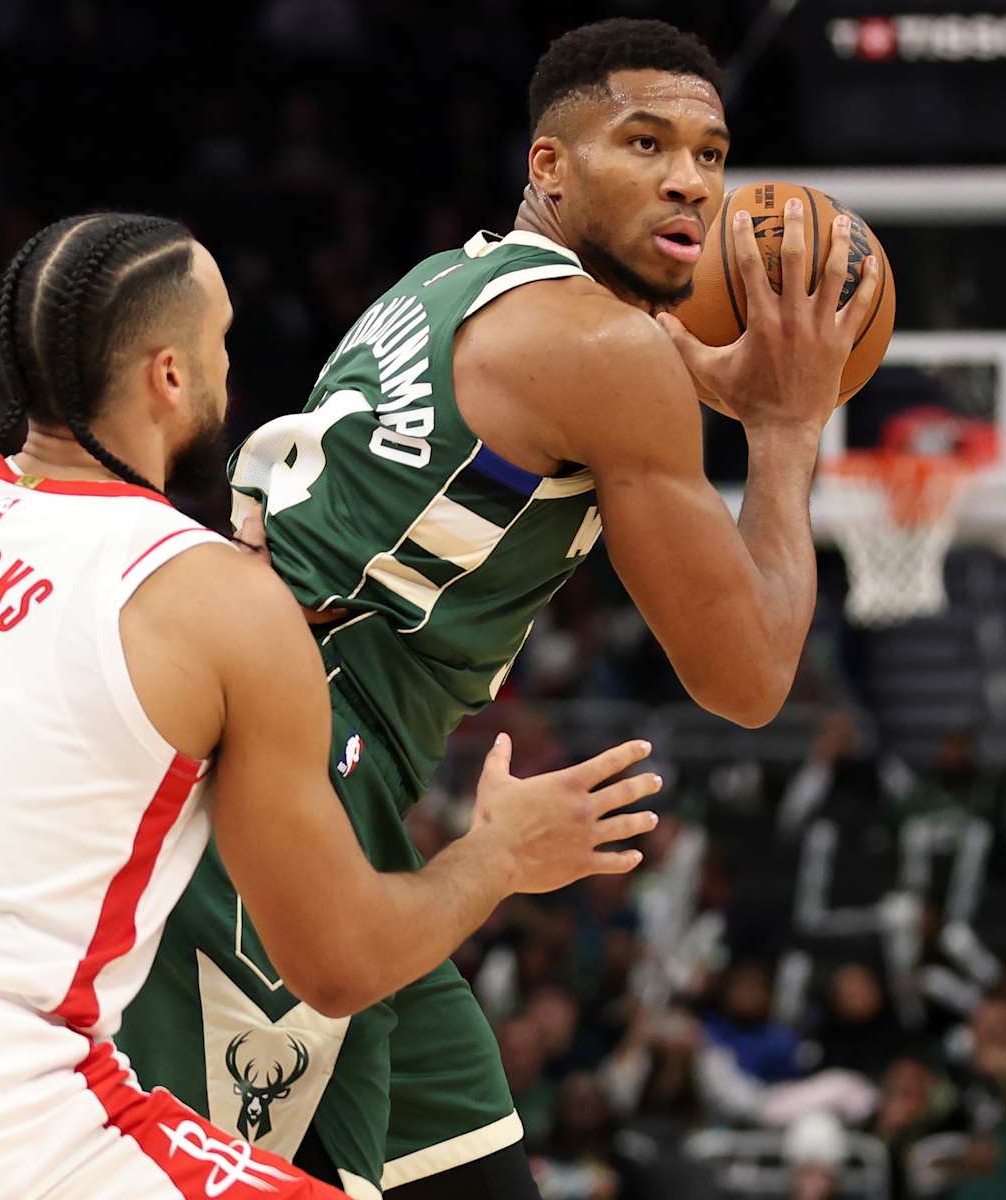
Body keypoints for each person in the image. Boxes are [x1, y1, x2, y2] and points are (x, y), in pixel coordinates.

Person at [0, 213, 662, 1199]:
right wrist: (496, 857)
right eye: (222, 343)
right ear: (169, 377)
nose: (229, 376)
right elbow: (341, 964)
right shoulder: (210, 596)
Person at [121, 16, 879, 1199]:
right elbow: (748, 679)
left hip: (310, 780)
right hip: (272, 816)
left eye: (712, 153)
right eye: (645, 142)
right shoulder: (604, 349)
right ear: (550, 167)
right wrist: (784, 432)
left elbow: (595, 361)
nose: (690, 179)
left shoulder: (454, 282)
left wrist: (702, 373)